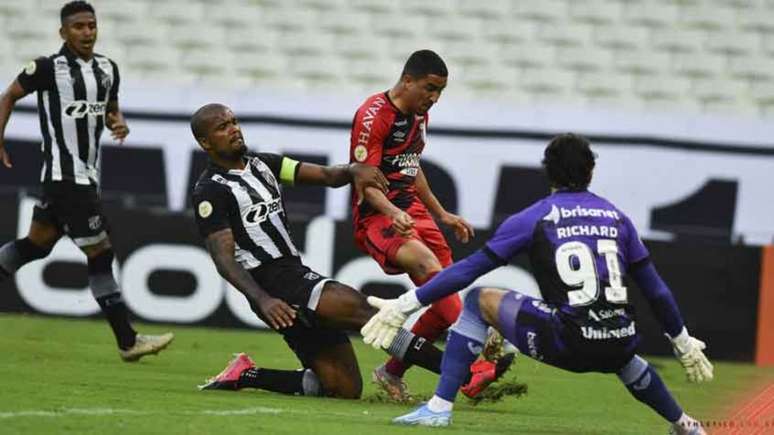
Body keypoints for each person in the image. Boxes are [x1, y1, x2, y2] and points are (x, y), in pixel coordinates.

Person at [363, 134, 713, 434]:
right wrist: (682, 342)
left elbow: (470, 268)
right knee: (615, 343)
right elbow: (656, 290)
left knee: (477, 300)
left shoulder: (535, 217)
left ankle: (438, 408)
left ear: (547, 172)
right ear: (591, 171)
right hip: (618, 342)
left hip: (567, 342)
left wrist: (406, 302)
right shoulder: (617, 219)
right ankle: (685, 424)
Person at [191, 103, 454, 398]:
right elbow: (223, 258)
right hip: (273, 282)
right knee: (366, 312)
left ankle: (247, 374)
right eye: (223, 127)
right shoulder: (210, 190)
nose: (234, 129)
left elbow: (328, 176)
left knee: (343, 388)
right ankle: (462, 373)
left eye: (234, 121)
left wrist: (354, 169)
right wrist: (263, 300)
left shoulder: (264, 164)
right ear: (205, 142)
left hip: (291, 272)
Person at [0, 1, 173, 362]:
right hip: (67, 179)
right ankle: (128, 342)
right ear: (63, 32)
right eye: (78, 27)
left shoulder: (108, 69)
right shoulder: (47, 68)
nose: (87, 32)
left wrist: (118, 123)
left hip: (85, 178)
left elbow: (110, 110)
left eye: (91, 25)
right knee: (101, 252)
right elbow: (9, 96)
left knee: (36, 246)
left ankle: (128, 341)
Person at [350, 49, 506, 400]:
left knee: (443, 292)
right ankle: (477, 356)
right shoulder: (373, 116)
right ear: (407, 80)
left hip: (413, 209)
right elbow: (364, 183)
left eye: (440, 92)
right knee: (428, 268)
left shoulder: (420, 116)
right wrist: (392, 212)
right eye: (430, 88)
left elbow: (411, 166)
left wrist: (442, 214)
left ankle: (391, 373)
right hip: (378, 216)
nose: (434, 98)